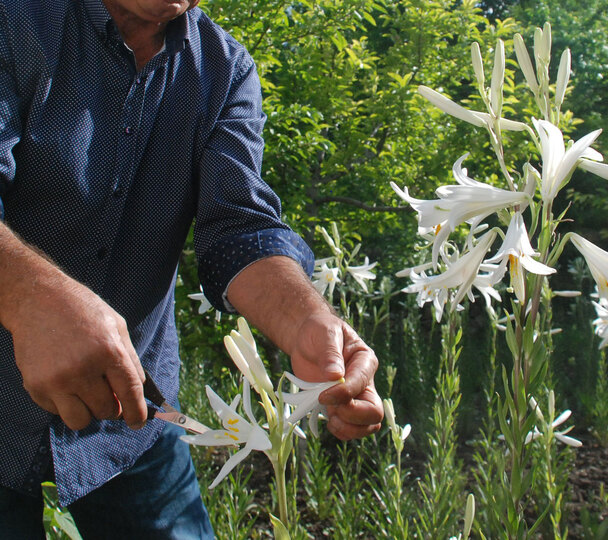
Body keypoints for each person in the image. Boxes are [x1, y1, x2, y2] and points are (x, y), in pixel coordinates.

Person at [0, 0, 383, 537]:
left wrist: (306, 323)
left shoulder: (225, 71)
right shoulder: (18, 21)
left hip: (134, 417)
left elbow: (239, 232)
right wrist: (28, 297)